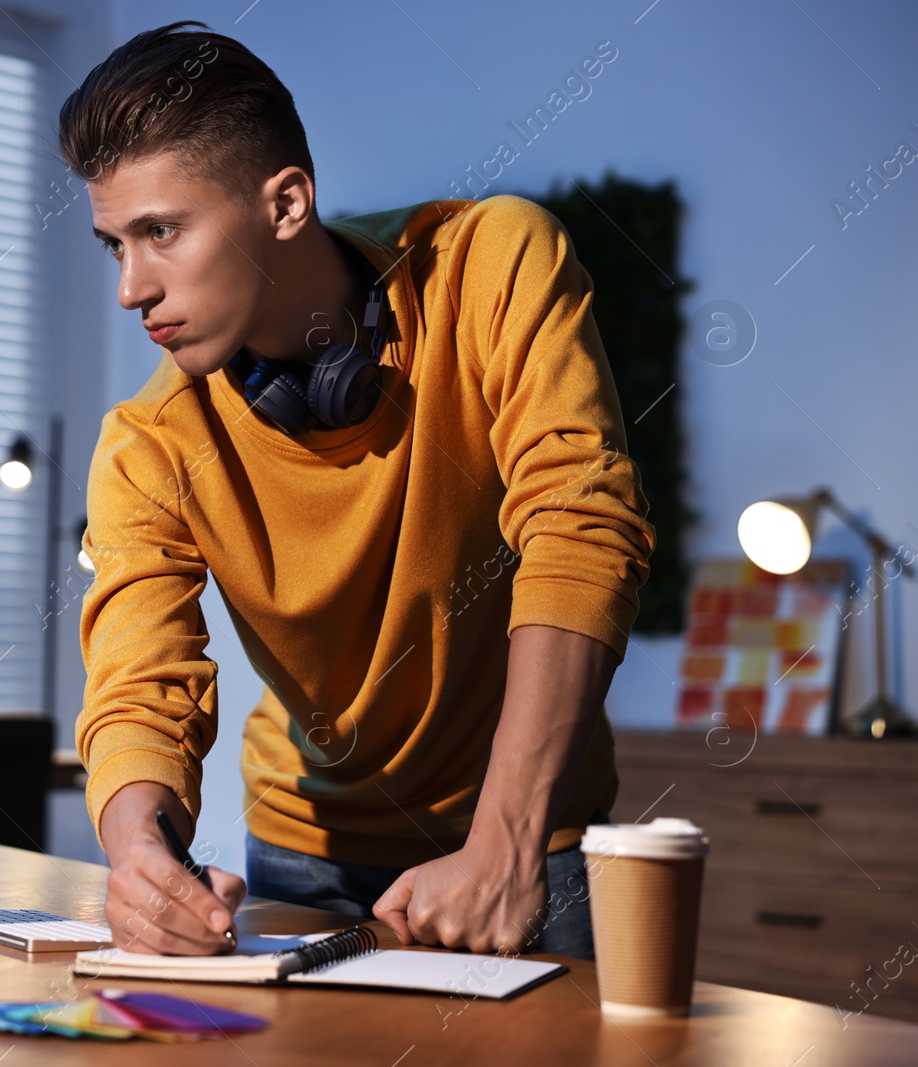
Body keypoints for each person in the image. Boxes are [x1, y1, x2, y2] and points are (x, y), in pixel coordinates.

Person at [66, 21, 655, 960]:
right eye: (114, 246)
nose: (132, 287)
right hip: (308, 853)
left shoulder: (493, 263)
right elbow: (143, 685)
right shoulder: (146, 444)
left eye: (162, 231)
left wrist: (503, 839)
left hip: (531, 833)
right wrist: (138, 848)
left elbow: (583, 525)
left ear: (286, 202)